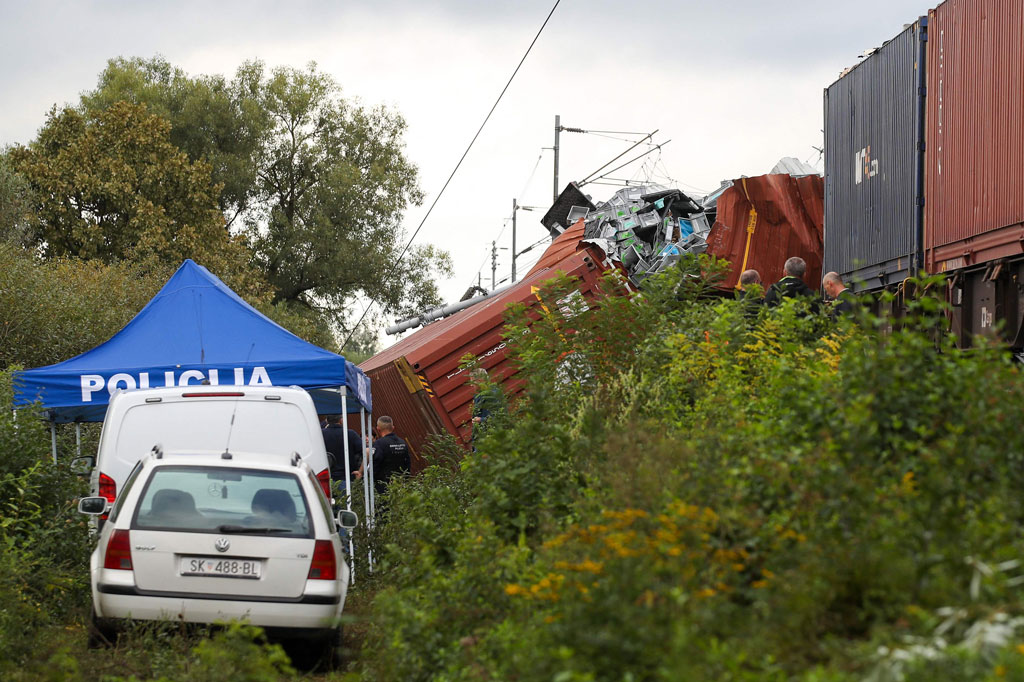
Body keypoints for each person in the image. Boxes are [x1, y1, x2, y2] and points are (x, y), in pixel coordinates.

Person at [355, 416, 410, 496]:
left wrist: (367, 477)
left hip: (383, 486)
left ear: (378, 429)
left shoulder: (380, 444)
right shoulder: (403, 443)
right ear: (393, 427)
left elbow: (375, 464)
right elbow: (408, 463)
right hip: (399, 485)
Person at [321, 414, 363, 482]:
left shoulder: (320, 434)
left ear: (327, 421)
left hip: (325, 478)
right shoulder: (350, 434)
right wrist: (360, 471)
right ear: (341, 420)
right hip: (347, 478)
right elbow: (367, 451)